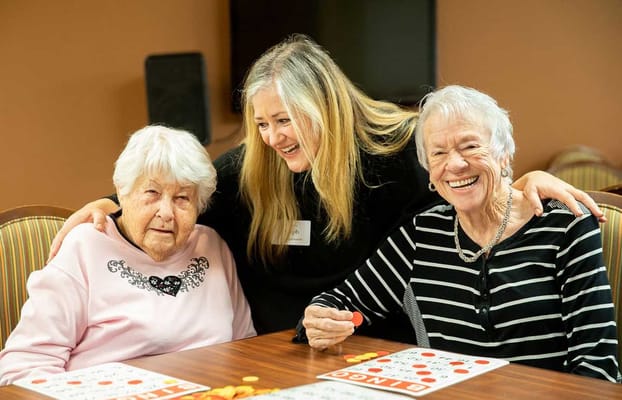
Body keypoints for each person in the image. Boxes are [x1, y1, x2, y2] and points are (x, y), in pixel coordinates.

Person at [48, 34, 603, 342]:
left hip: (375, 352)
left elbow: (465, 178)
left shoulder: (394, 151)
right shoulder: (252, 167)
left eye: (285, 120)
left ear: (326, 107)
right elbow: (174, 193)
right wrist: (111, 203)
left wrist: (523, 178)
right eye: (261, 124)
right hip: (270, 352)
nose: (272, 138)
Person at [300, 85, 619, 382]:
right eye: (438, 153)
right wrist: (319, 321)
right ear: (428, 170)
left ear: (504, 154)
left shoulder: (567, 226)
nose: (455, 164)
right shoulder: (421, 233)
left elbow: (598, 366)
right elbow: (339, 301)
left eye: (470, 146)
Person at [0, 126, 256, 385]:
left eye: (182, 198)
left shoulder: (210, 245)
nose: (166, 212)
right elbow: (24, 367)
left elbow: (245, 346)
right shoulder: (86, 247)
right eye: (152, 193)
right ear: (122, 192)